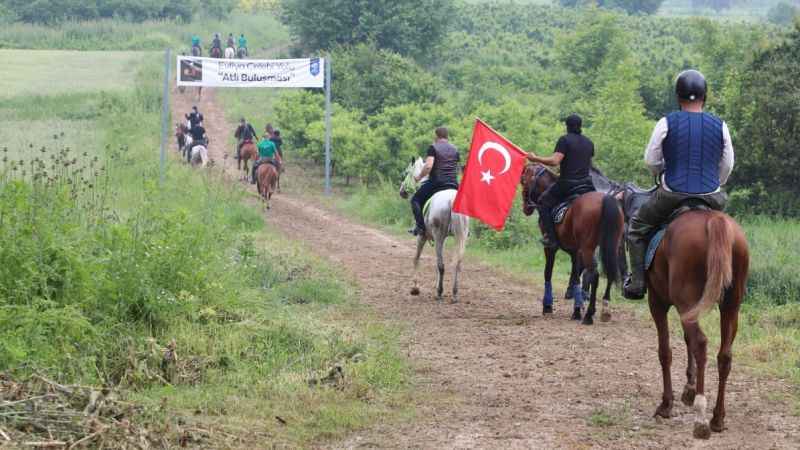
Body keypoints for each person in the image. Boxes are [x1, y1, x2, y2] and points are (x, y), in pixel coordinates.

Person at [623, 69, 734, 300]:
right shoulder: (720, 125)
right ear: (705, 95)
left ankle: (637, 283)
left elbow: (651, 160)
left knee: (636, 228)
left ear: (678, 96)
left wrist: (660, 172)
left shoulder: (666, 122)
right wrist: (716, 183)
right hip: (712, 195)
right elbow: (728, 164)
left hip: (673, 194)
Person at [525, 114, 596, 248]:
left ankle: (551, 239)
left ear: (567, 126)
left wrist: (535, 159)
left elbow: (555, 161)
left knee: (542, 202)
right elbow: (587, 164)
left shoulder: (564, 140)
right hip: (587, 184)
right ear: (580, 126)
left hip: (568, 184)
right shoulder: (589, 142)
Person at [409, 127, 460, 236]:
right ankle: (465, 228)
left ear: (436, 136)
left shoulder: (433, 147)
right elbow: (457, 168)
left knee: (415, 200)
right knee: (464, 202)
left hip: (437, 182)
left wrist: (418, 177)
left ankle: (420, 227)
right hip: (453, 183)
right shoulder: (455, 149)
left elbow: (428, 166)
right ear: (447, 136)